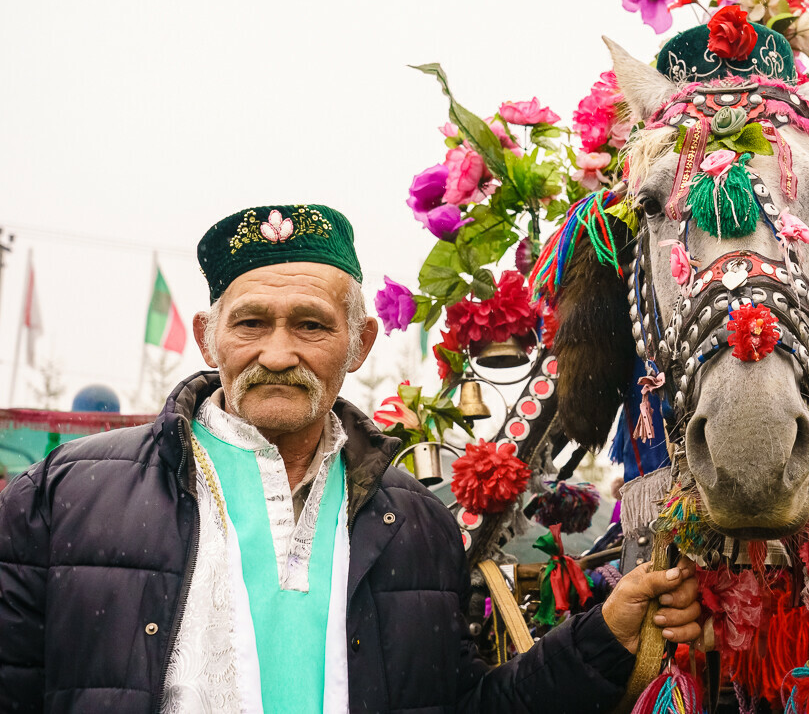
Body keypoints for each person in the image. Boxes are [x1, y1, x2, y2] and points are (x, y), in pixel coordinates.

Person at [0, 204, 700, 713]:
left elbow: (461, 706)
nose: (277, 353)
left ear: (360, 343)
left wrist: (602, 636)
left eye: (310, 325)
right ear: (211, 338)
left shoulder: (417, 524)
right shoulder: (67, 497)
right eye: (250, 324)